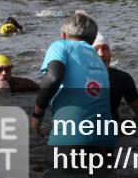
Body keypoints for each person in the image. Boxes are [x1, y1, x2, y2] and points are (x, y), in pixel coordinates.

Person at [30, 11, 114, 150]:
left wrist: (37, 114)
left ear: (63, 35)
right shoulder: (99, 61)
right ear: (93, 40)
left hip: (72, 138)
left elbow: (53, 78)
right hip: (107, 141)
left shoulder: (61, 46)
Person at [92, 33, 138, 122]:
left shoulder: (122, 79)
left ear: (110, 54)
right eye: (95, 49)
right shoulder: (72, 79)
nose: (101, 54)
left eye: (105, 48)